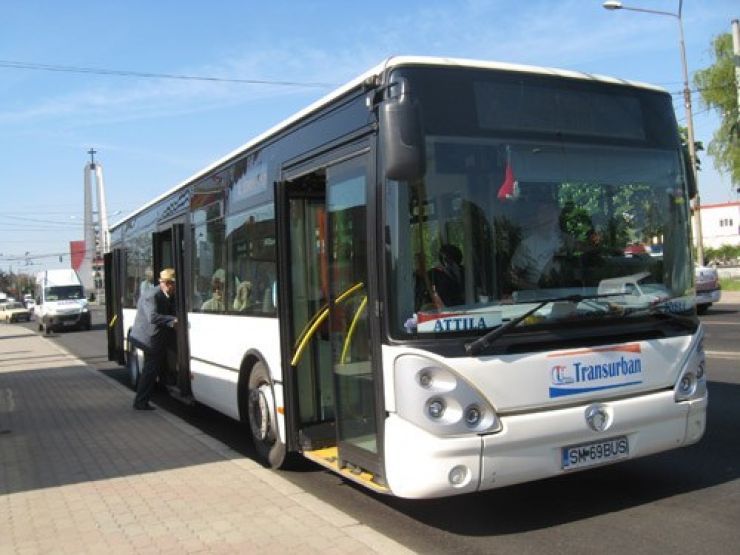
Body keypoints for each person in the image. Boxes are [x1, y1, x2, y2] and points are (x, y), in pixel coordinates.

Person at [129, 268, 177, 410]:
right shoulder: (152, 295)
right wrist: (173, 320)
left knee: (154, 368)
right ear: (167, 284)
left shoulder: (165, 294)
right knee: (150, 370)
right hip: (148, 339)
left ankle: (165, 383)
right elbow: (153, 317)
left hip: (156, 338)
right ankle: (140, 402)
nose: (175, 288)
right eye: (174, 285)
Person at [510, 185, 567, 289]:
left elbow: (589, 249)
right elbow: (512, 277)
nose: (548, 216)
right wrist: (536, 289)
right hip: (539, 300)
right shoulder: (526, 245)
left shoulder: (565, 240)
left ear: (558, 214)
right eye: (543, 212)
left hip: (573, 297)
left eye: (551, 211)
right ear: (537, 216)